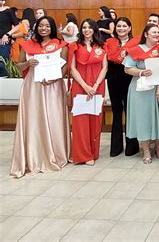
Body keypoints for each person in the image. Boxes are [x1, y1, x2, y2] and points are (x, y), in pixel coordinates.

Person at [10, 16, 70, 178]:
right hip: (33, 87)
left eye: (47, 26)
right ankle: (33, 154)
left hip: (53, 87)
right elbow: (19, 65)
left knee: (53, 118)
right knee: (33, 119)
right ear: (37, 28)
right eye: (41, 26)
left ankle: (56, 153)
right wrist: (28, 64)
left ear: (52, 27)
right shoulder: (28, 45)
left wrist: (54, 79)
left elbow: (64, 67)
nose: (44, 28)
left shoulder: (61, 45)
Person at [69, 19, 108, 165]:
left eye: (89, 27)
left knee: (95, 120)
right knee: (81, 121)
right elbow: (72, 68)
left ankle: (93, 152)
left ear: (94, 29)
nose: (86, 30)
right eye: (84, 27)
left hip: (97, 86)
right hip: (80, 86)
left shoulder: (102, 46)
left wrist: (96, 85)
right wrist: (85, 86)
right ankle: (83, 155)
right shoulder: (75, 46)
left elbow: (104, 68)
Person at [124, 23, 159, 164]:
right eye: (153, 32)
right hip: (140, 89)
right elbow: (127, 69)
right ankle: (146, 150)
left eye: (158, 32)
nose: (157, 34)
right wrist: (141, 72)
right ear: (146, 34)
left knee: (158, 117)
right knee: (143, 119)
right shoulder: (135, 50)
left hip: (157, 88)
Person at [105, 17, 139, 157]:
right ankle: (116, 148)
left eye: (124, 26)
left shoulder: (136, 42)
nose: (121, 28)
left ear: (130, 28)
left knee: (130, 112)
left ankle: (132, 147)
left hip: (129, 77)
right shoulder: (109, 42)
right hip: (113, 78)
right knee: (117, 112)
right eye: (119, 26)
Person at [0, 0, 19, 76]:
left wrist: (7, 35)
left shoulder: (9, 11)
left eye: (1, 0)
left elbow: (17, 26)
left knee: (3, 63)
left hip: (4, 40)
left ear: (4, 1)